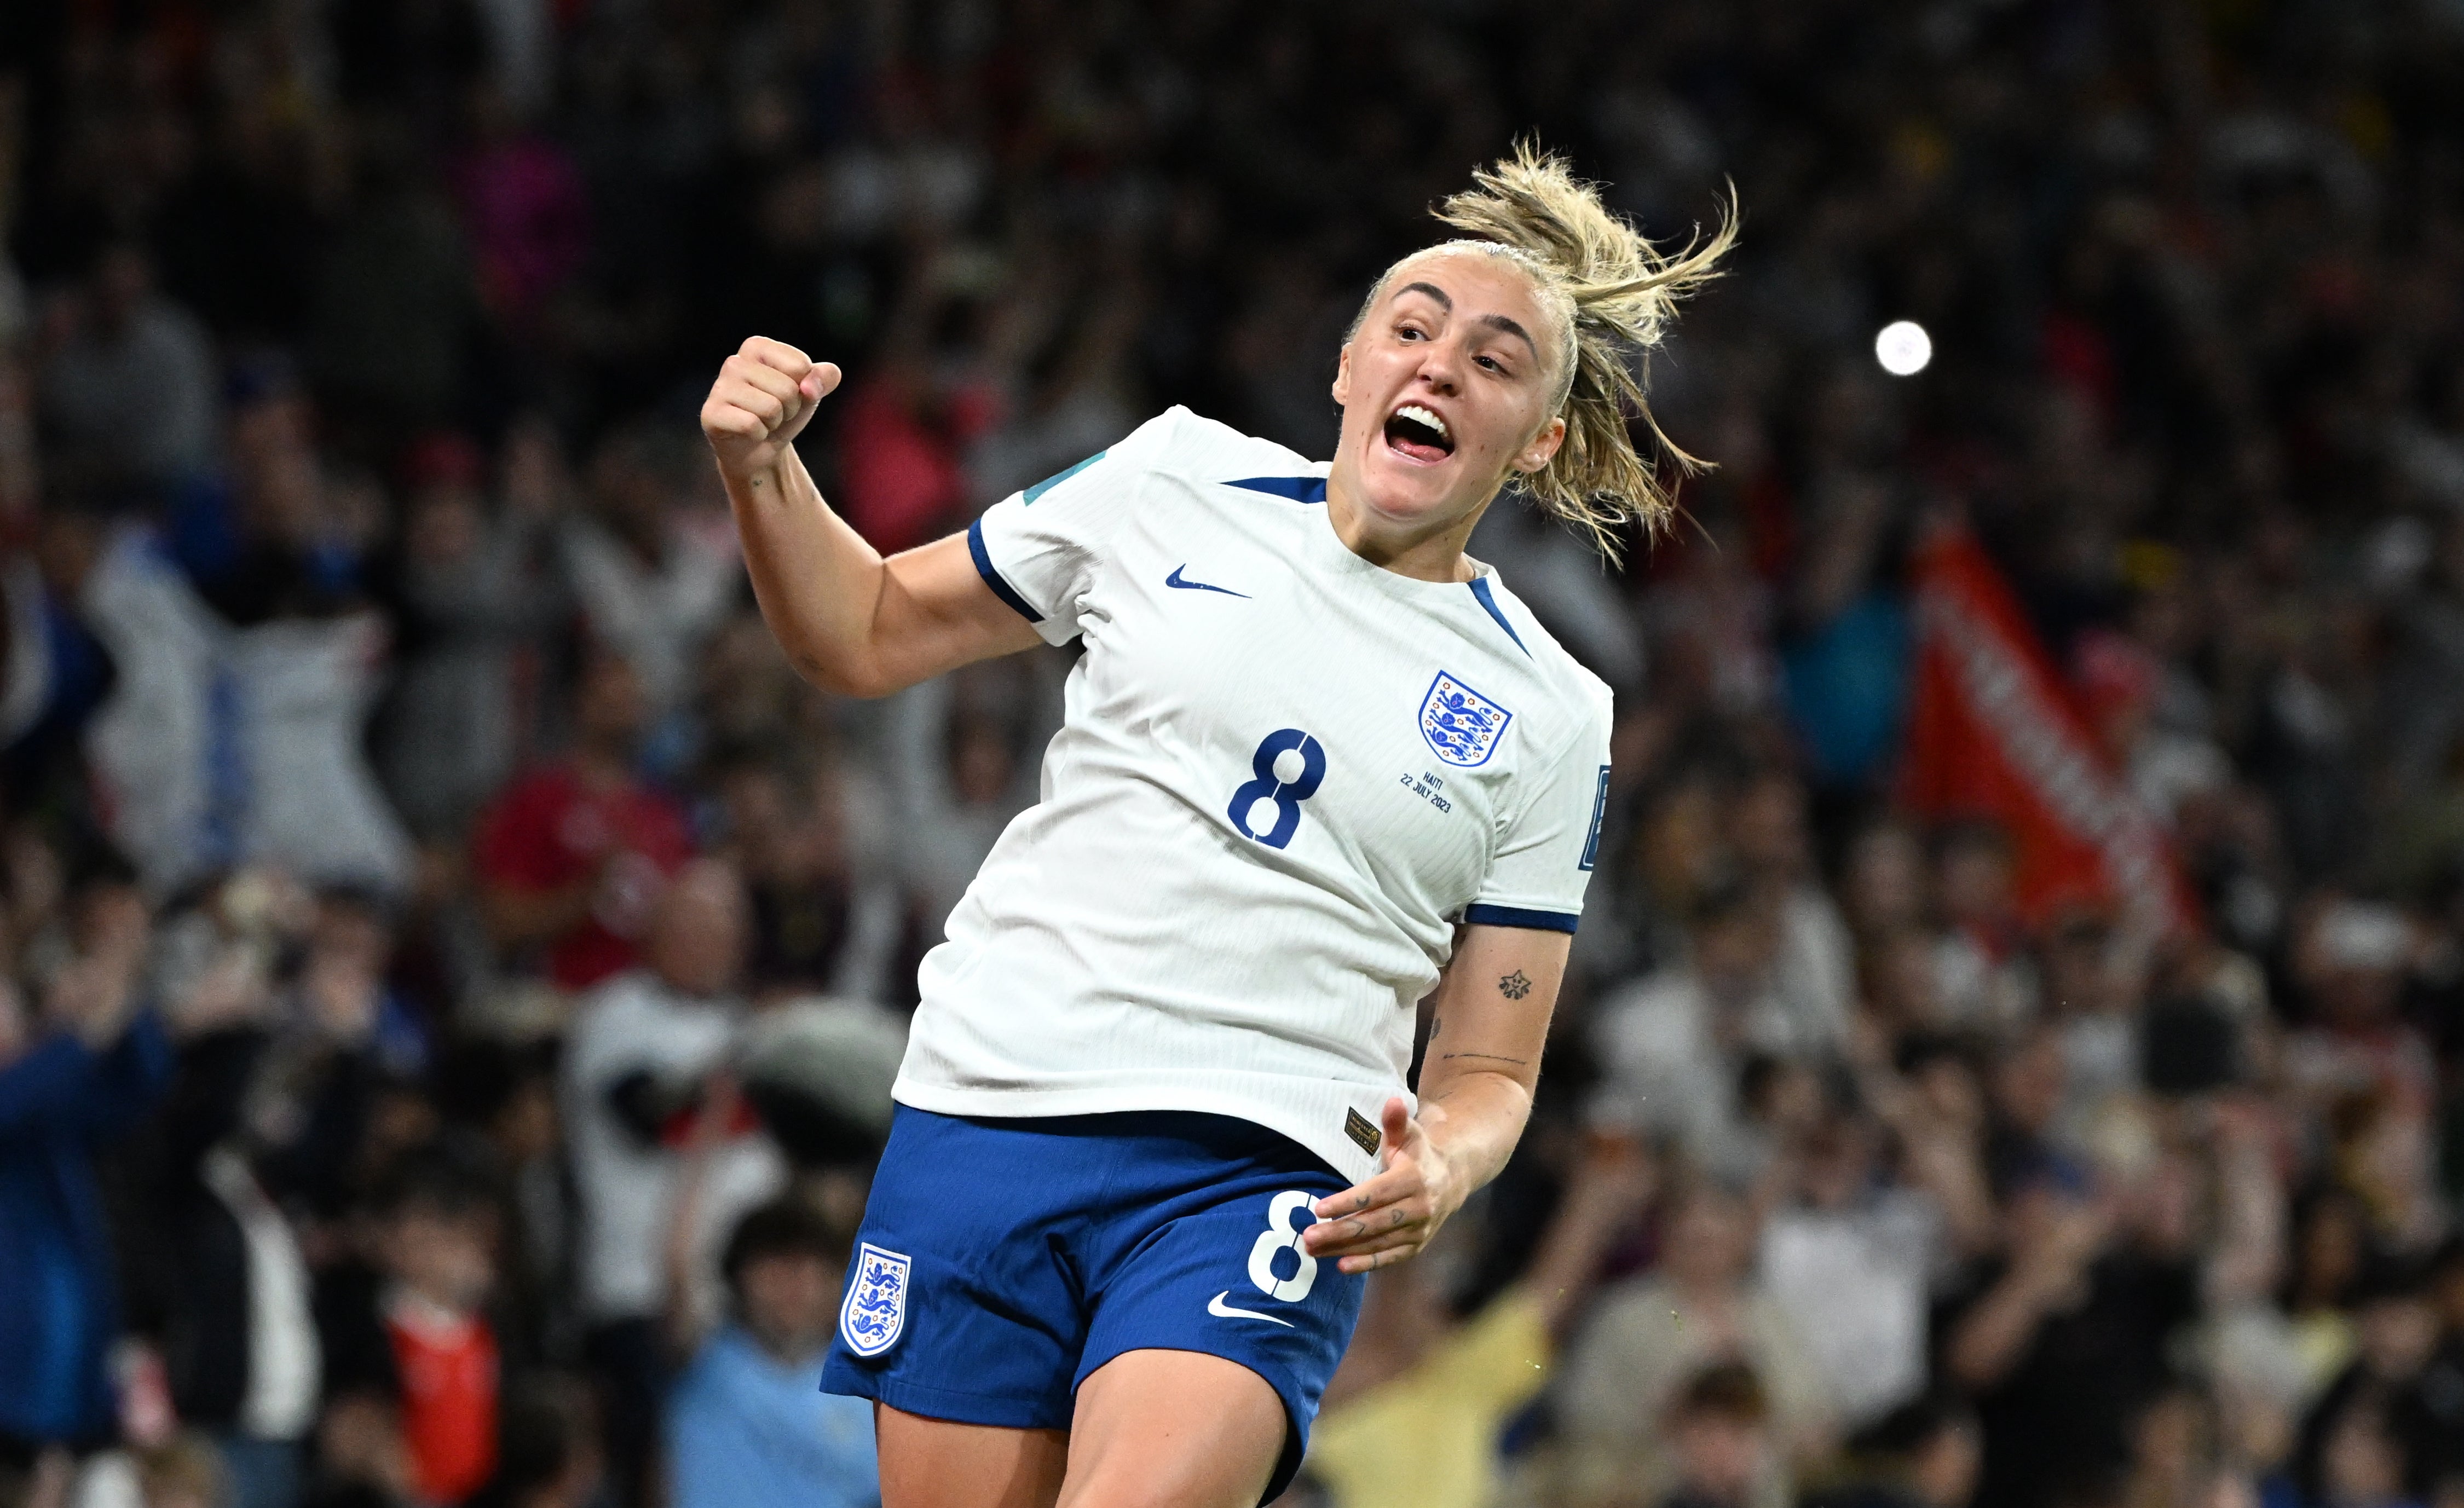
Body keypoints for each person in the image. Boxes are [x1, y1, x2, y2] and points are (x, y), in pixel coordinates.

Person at [700, 143, 1733, 1507]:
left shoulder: (1555, 708)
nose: (1438, 366)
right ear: (1349, 370)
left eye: (1492, 360)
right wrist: (764, 471)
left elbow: (1491, 1060)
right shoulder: (1174, 478)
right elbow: (863, 628)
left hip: (1261, 1162)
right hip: (992, 1103)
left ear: (1539, 437)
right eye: (1411, 330)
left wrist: (1452, 1159)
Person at [666, 1199, 880, 1508]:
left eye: (805, 1268)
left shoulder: (867, 1389)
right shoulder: (703, 1369)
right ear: (739, 1280)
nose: (790, 1286)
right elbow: (676, 1280)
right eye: (773, 1268)